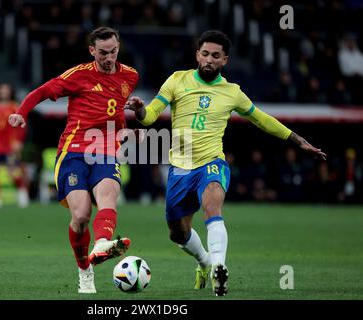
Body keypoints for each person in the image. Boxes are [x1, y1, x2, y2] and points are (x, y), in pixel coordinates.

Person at [125, 30, 326, 296]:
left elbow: (262, 119)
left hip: (212, 162)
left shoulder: (232, 92)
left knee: (212, 206)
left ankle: (219, 267)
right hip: (180, 168)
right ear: (198, 54)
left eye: (215, 56)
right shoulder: (177, 80)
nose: (209, 59)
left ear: (225, 60)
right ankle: (206, 262)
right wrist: (139, 108)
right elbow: (149, 117)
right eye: (205, 54)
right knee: (178, 232)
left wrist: (297, 139)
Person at [8, 27, 138, 294]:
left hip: (106, 151)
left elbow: (114, 109)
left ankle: (102, 242)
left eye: (113, 51)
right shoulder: (78, 75)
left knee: (108, 195)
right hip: (74, 151)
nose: (109, 57)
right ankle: (84, 271)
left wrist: (124, 127)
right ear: (92, 50)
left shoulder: (130, 76)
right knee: (80, 216)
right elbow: (43, 91)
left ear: (118, 47)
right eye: (102, 52)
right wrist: (22, 112)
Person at [0, 83, 29, 209]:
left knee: (12, 171)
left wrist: (19, 141)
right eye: (1, 90)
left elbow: (22, 126)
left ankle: (22, 193)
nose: (4, 92)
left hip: (10, 145)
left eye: (6, 90)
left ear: (10, 92)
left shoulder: (15, 107)